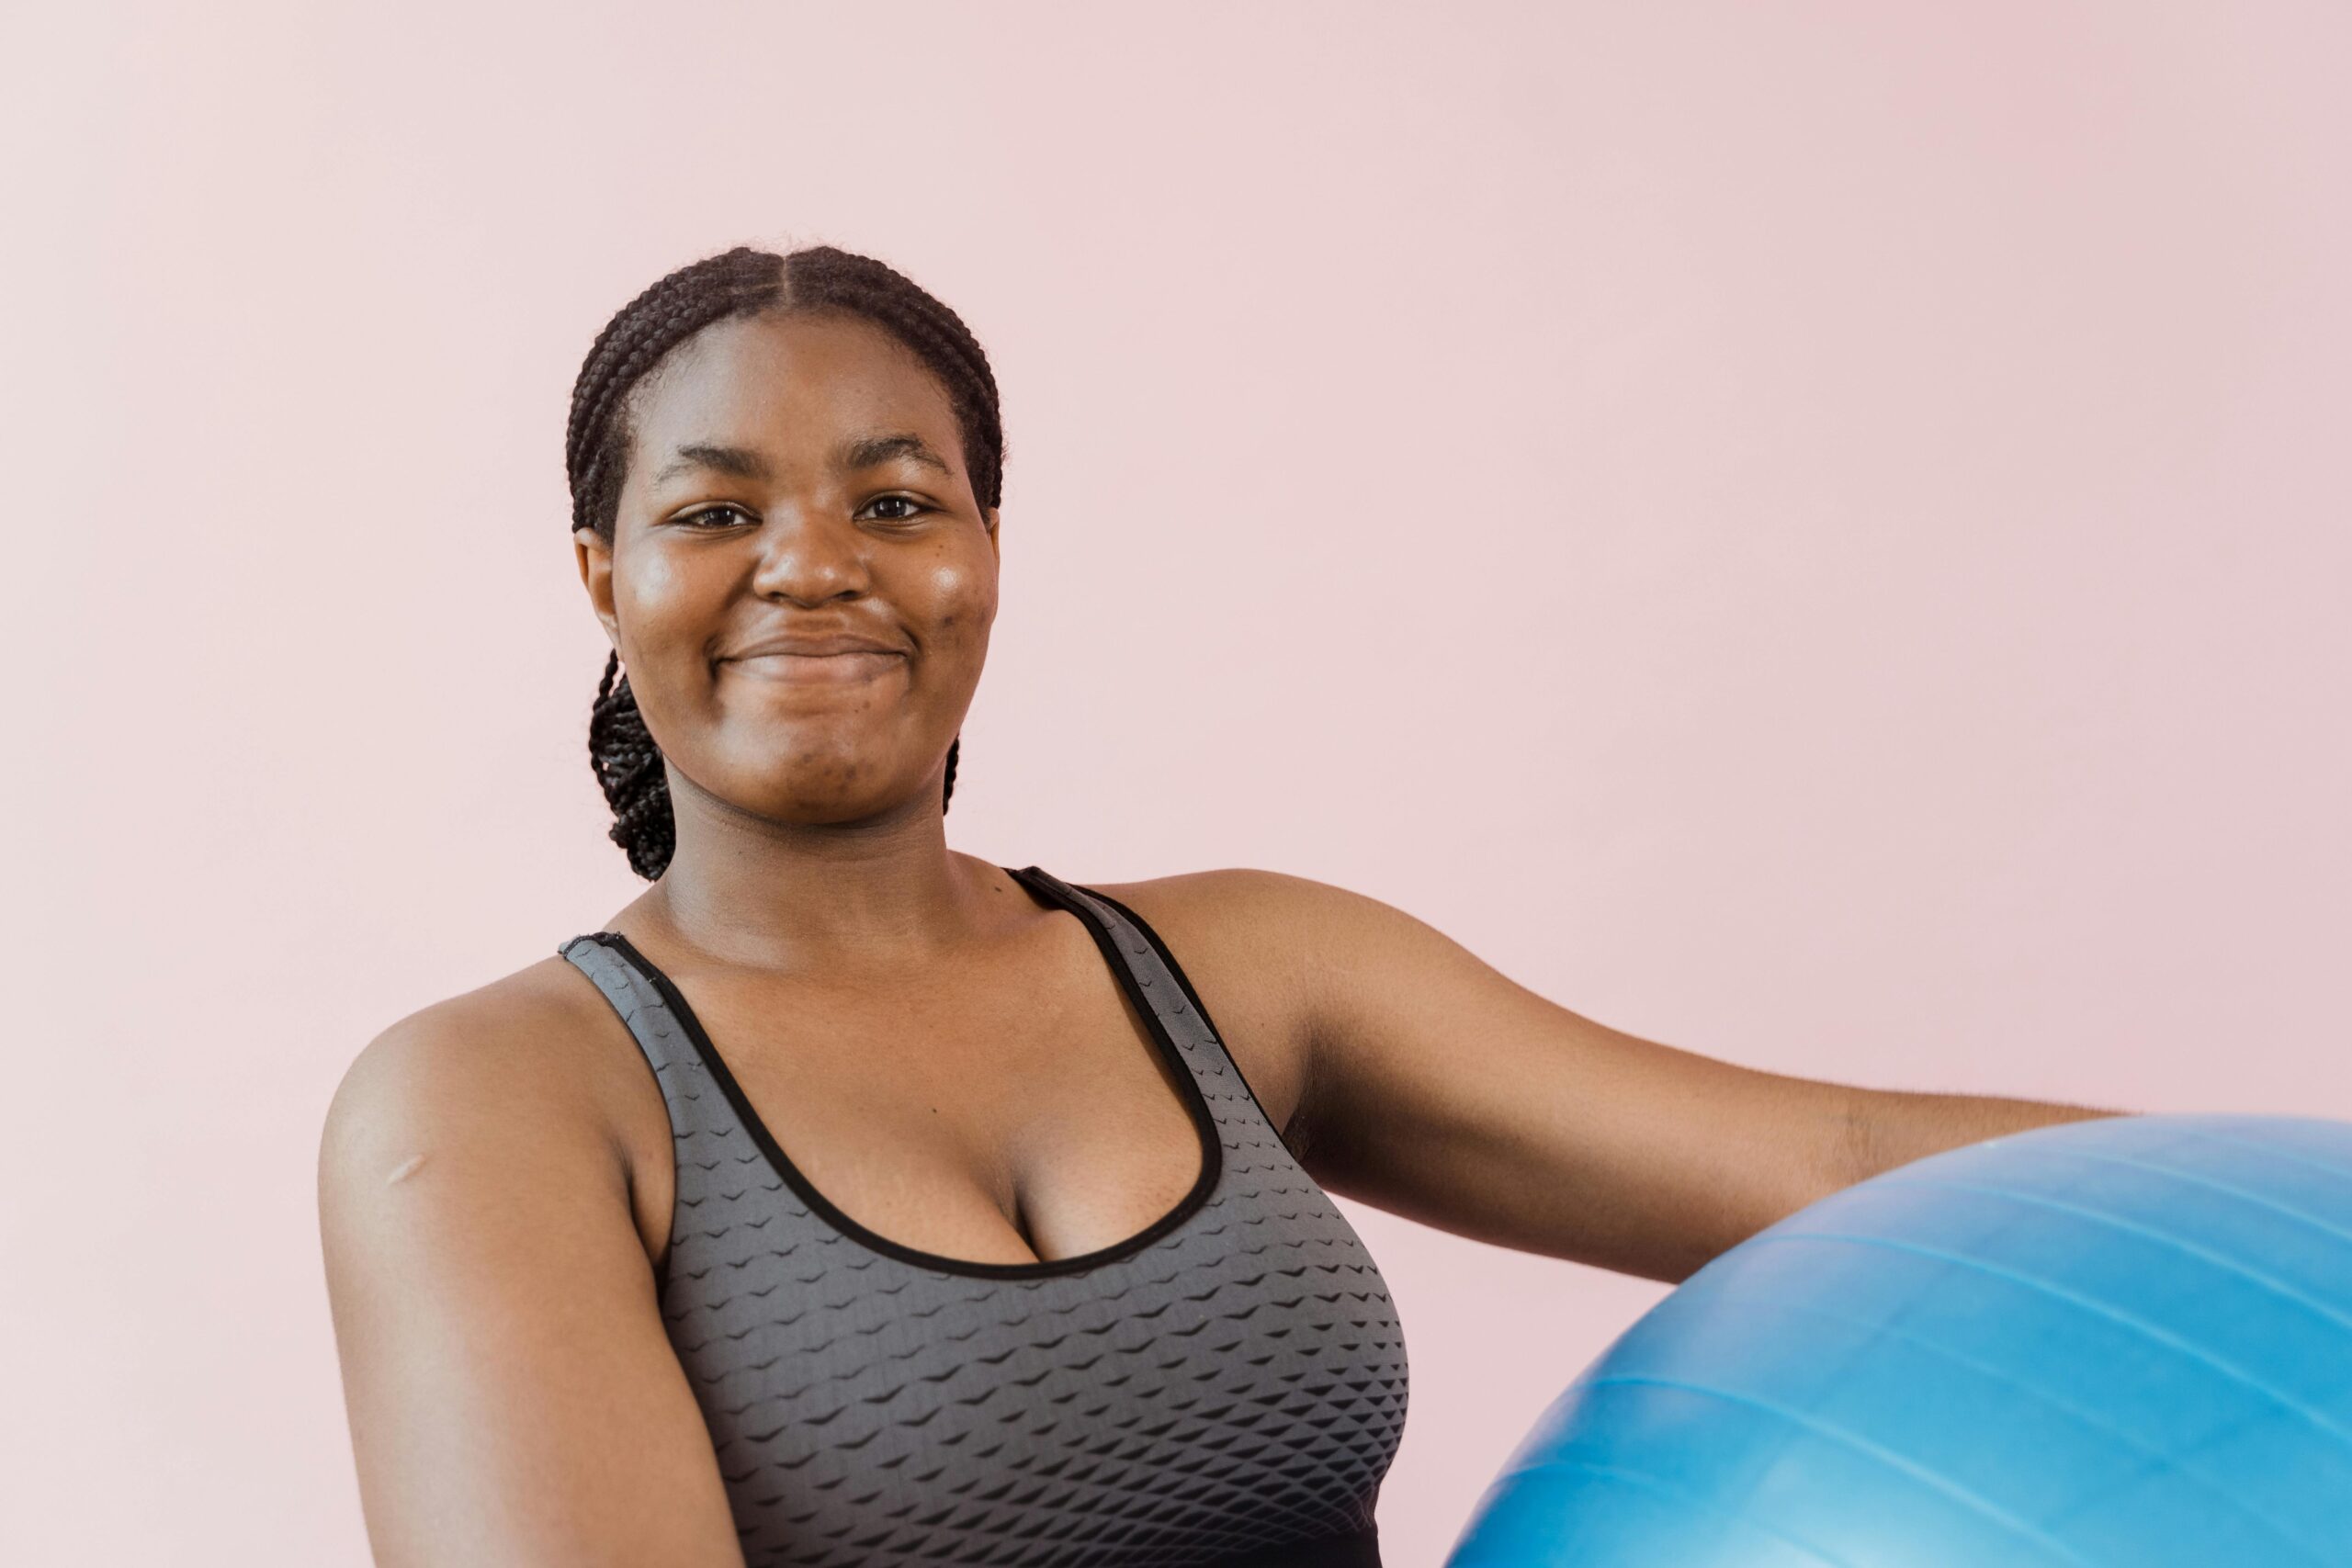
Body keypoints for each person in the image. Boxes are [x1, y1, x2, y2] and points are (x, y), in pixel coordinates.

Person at [317, 243, 2119, 1568]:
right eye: (715, 511)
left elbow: (1831, 1163)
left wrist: (2290, 1182)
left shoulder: (1245, 970)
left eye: (893, 495)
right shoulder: (499, 1102)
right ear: (600, 576)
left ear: (983, 555)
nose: (813, 561)